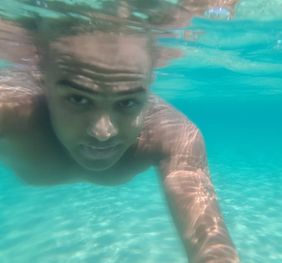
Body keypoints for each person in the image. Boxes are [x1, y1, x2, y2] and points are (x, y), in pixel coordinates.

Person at [0, 2, 239, 262]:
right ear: (41, 76)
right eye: (78, 99)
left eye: (127, 102)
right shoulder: (10, 109)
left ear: (149, 84)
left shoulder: (173, 136)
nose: (103, 132)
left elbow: (209, 245)